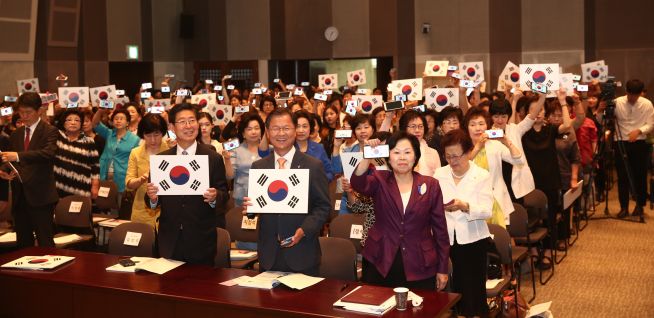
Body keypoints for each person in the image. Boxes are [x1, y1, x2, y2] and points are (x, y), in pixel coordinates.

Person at [349, 131, 449, 290]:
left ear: (415, 157)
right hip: (380, 259)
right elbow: (357, 183)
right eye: (396, 152)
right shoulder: (380, 179)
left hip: (420, 263)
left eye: (407, 152)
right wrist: (367, 155)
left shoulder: (431, 185)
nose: (402, 157)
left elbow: (440, 230)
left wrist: (443, 268)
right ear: (388, 157)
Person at [243, 108, 330, 275]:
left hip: (302, 252)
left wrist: (304, 230)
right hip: (269, 255)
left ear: (295, 131)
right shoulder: (259, 167)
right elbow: (255, 207)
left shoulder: (312, 165)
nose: (281, 133)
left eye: (286, 128)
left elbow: (323, 207)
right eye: (275, 128)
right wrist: (250, 209)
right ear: (267, 132)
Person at [145, 103, 229, 265]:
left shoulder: (212, 158)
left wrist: (214, 197)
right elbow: (151, 200)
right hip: (169, 239)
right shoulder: (163, 160)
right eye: (182, 122)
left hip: (201, 239)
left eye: (192, 120)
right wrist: (153, 198)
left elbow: (224, 194)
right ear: (172, 127)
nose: (188, 126)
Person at [434, 129, 493, 317]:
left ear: (468, 152)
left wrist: (464, 206)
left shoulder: (481, 175)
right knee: (452, 290)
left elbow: (486, 210)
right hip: (446, 239)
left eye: (456, 156)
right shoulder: (439, 173)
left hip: (473, 240)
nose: (452, 161)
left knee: (473, 291)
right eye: (448, 156)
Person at [0, 92, 59, 248]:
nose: (24, 116)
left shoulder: (49, 130)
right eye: (21, 112)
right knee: (23, 242)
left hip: (41, 196)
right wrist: (4, 170)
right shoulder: (16, 134)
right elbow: (10, 159)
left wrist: (17, 156)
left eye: (28, 112)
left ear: (39, 110)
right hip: (20, 196)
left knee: (45, 240)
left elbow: (48, 153)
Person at [465, 107, 523, 227]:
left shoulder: (494, 145)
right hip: (473, 202)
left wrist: (506, 141)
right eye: (473, 124)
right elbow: (463, 166)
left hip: (496, 200)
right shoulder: (462, 146)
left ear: (487, 126)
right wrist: (477, 147)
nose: (478, 128)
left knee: (500, 239)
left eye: (481, 124)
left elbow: (519, 160)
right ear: (467, 127)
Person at [613, 79, 654, 218]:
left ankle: (639, 206)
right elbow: (605, 121)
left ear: (641, 93)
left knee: (640, 175)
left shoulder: (647, 104)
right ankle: (623, 207)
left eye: (636, 96)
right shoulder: (617, 102)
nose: (633, 98)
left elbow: (651, 124)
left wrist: (639, 130)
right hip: (620, 142)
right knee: (622, 176)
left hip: (640, 143)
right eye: (630, 95)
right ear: (626, 91)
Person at [126, 113, 169, 227]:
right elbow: (129, 183)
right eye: (148, 135)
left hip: (167, 212)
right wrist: (141, 179)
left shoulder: (171, 150)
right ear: (142, 135)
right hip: (142, 210)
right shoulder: (136, 153)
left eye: (157, 134)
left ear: (163, 133)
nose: (153, 140)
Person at [92, 107, 141, 197]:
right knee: (105, 201)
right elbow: (95, 124)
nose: (118, 121)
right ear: (112, 122)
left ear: (127, 122)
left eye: (121, 119)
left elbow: (136, 160)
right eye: (116, 119)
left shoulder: (135, 139)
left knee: (120, 203)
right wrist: (100, 111)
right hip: (105, 173)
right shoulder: (109, 133)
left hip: (122, 176)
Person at [53, 109, 100, 198]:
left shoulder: (89, 141)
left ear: (81, 124)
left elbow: (95, 166)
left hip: (81, 189)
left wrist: (95, 187)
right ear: (63, 123)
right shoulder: (57, 136)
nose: (73, 122)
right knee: (60, 211)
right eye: (69, 120)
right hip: (58, 187)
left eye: (77, 120)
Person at [222, 112, 265, 207]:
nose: (253, 132)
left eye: (257, 128)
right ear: (243, 134)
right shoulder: (235, 150)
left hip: (266, 196)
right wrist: (227, 159)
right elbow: (230, 176)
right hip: (242, 199)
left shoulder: (270, 149)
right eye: (249, 129)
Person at [293, 110, 334, 182]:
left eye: (305, 126)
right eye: (297, 126)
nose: (301, 130)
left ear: (310, 128)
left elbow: (330, 172)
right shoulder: (287, 149)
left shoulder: (319, 148)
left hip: (315, 190)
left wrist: (319, 180)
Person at [398, 110, 441, 176]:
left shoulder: (433, 153)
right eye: (413, 126)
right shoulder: (396, 151)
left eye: (420, 126)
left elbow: (438, 179)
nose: (417, 130)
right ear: (404, 128)